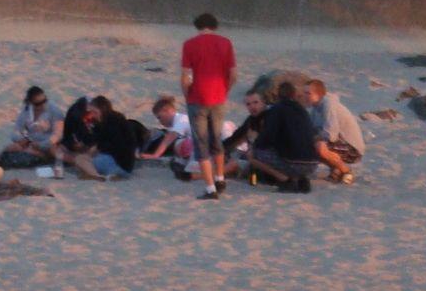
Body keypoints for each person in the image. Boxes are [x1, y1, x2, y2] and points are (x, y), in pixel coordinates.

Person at [248, 80, 349, 191]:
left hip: (294, 163)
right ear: (294, 95)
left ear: (277, 95)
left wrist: (254, 143)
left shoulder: (276, 110)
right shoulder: (303, 111)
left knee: (255, 154)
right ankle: (302, 180)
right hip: (312, 165)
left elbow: (266, 139)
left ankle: (285, 180)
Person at [180, 10, 236, 199]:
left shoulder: (190, 44)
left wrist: (186, 94)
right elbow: (233, 74)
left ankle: (210, 189)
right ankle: (220, 178)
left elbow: (185, 76)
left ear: (198, 26)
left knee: (201, 144)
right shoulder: (226, 43)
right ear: (214, 26)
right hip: (218, 97)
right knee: (216, 139)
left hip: (197, 98)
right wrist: (225, 90)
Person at [300, 78, 363, 181]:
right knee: (309, 144)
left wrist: (316, 139)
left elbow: (331, 135)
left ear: (318, 94)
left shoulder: (329, 105)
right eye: (304, 93)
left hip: (352, 149)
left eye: (308, 93)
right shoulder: (315, 109)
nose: (304, 96)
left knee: (319, 146)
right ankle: (336, 170)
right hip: (340, 144)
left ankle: (346, 171)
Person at [6, 86, 62, 162]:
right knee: (11, 147)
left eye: (44, 101)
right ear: (30, 103)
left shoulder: (54, 110)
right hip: (32, 143)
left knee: (51, 150)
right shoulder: (26, 110)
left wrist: (41, 145)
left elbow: (58, 135)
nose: (43, 104)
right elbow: (16, 131)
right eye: (38, 104)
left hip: (48, 144)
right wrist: (22, 139)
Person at [140, 95, 192, 164]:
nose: (160, 121)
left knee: (179, 143)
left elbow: (170, 137)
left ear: (166, 110)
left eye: (159, 117)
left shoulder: (181, 119)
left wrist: (155, 155)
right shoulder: (181, 119)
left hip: (197, 145)